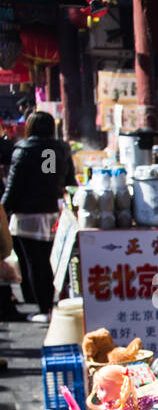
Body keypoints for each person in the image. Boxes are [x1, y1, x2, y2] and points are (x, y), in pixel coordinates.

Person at [1, 111, 76, 320]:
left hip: (28, 216)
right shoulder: (60, 149)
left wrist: (3, 210)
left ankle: (44, 308)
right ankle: (56, 304)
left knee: (35, 263)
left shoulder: (23, 150)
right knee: (53, 260)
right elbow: (68, 181)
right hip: (54, 213)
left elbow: (13, 187)